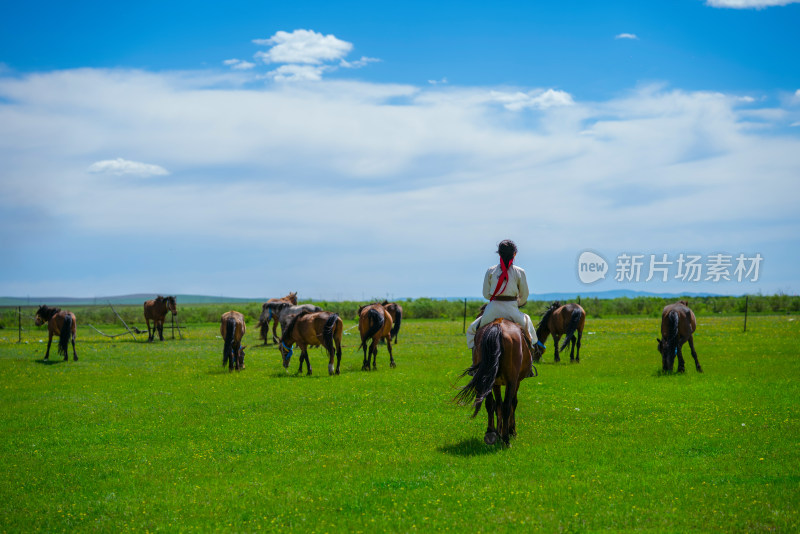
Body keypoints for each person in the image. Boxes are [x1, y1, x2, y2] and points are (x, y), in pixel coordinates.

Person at [466, 239, 542, 353]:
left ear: (499, 254)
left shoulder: (490, 271)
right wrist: (518, 303)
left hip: (492, 310)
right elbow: (524, 295)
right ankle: (531, 355)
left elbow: (486, 294)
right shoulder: (520, 272)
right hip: (512, 310)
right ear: (514, 254)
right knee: (529, 333)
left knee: (472, 330)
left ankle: (476, 358)